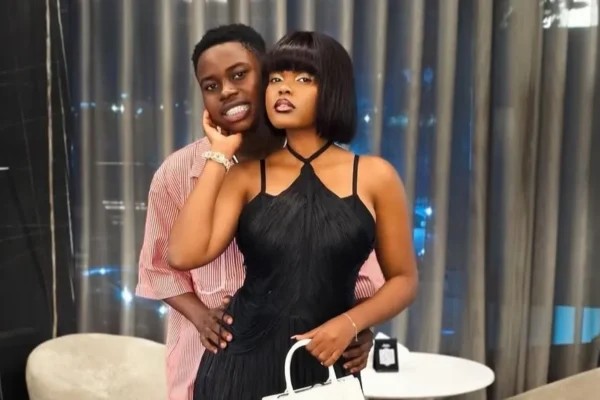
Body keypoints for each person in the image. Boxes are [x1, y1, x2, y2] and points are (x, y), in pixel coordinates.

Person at [136, 24, 383, 400]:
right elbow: (159, 267)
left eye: (239, 75)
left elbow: (363, 274)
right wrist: (201, 316)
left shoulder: (328, 168)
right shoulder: (176, 173)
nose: (226, 91)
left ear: (268, 77)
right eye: (211, 85)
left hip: (306, 362)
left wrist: (357, 325)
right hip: (212, 358)